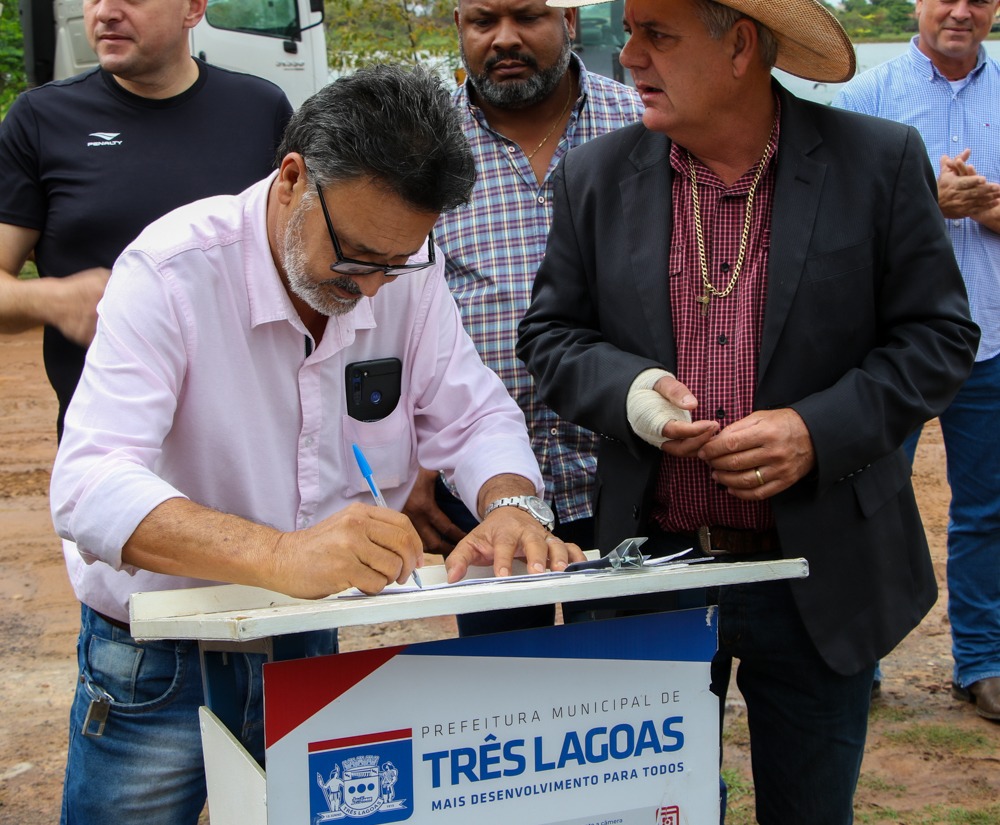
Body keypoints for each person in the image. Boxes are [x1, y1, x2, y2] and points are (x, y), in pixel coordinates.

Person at [49, 65, 581, 825]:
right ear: (293, 177)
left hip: (310, 640)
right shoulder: (171, 272)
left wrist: (512, 504)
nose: (371, 289)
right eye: (357, 255)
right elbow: (88, 483)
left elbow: (473, 414)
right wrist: (277, 556)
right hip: (159, 656)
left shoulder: (405, 274)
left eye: (396, 262)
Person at [517, 0, 980, 820]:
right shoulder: (597, 176)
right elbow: (551, 335)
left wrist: (816, 430)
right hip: (651, 573)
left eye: (655, 34)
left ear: (738, 46)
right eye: (627, 31)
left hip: (817, 572)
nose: (627, 57)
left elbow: (938, 337)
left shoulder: (874, 161)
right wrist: (633, 396)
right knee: (642, 811)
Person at [402, 0, 643, 635]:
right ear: (459, 28)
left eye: (527, 17)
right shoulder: (420, 149)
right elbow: (390, 309)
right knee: (510, 690)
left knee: (634, 681)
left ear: (568, 20)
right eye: (484, 22)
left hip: (626, 473)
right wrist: (417, 460)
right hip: (474, 491)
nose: (504, 40)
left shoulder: (642, 124)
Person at [0, 0, 292, 440]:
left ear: (192, 9)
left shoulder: (261, 109)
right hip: (112, 448)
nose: (105, 12)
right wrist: (55, 299)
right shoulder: (40, 120)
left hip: (251, 444)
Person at [833, 0, 1000, 723]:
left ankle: (985, 660)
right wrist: (928, 199)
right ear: (917, 3)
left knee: (988, 512)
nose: (961, 11)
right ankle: (854, 659)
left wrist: (992, 209)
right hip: (889, 350)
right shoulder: (865, 99)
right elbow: (827, 217)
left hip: (991, 343)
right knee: (867, 505)